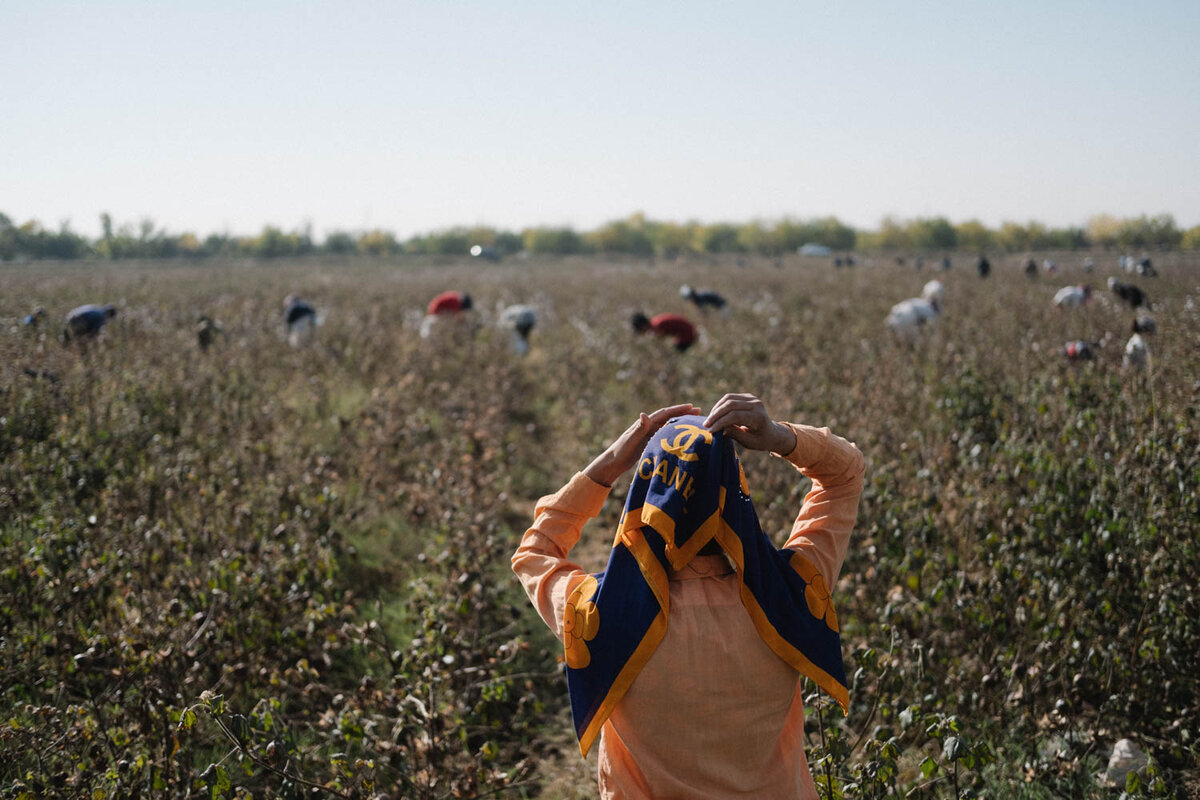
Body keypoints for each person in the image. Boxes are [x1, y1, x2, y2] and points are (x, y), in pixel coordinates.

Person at [513, 393, 865, 798]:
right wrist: (777, 437)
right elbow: (845, 475)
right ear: (735, 493)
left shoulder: (599, 613)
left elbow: (535, 551)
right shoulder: (790, 592)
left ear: (646, 498)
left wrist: (610, 463)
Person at [631, 311, 698, 352]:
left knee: (676, 352)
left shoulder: (657, 326)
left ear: (643, 326)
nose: (642, 332)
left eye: (640, 330)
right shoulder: (655, 321)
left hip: (688, 335)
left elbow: (662, 338)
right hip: (689, 331)